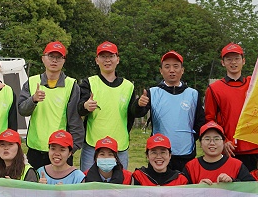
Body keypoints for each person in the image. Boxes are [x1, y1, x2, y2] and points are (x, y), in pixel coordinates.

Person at [78, 41, 148, 171]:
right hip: (93, 145)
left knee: (119, 182)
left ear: (118, 59)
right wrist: (85, 106)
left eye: (111, 56)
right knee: (89, 182)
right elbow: (79, 109)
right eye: (103, 56)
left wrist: (139, 105)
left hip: (119, 146)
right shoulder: (89, 83)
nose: (107, 60)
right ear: (97, 60)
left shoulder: (128, 86)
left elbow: (134, 112)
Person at [18, 41, 85, 169]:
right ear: (43, 58)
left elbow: (75, 120)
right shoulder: (32, 82)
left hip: (61, 150)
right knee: (35, 181)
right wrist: (33, 100)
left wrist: (72, 148)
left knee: (60, 182)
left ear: (64, 61)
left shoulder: (71, 85)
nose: (54, 60)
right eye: (51, 56)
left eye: (58, 57)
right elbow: (22, 110)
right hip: (35, 149)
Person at [144, 51, 205, 172]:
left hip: (185, 153)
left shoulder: (193, 94)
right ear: (161, 70)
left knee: (185, 183)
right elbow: (137, 113)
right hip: (160, 153)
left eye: (176, 66)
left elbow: (200, 121)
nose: (172, 70)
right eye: (167, 66)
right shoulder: (153, 92)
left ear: (182, 70)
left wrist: (190, 137)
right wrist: (139, 105)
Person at [203, 43, 258, 171]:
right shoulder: (214, 89)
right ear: (223, 63)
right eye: (229, 59)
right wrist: (223, 141)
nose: (233, 62)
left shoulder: (254, 84)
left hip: (255, 147)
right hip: (230, 148)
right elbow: (210, 120)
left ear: (243, 61)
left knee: (256, 182)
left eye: (237, 58)